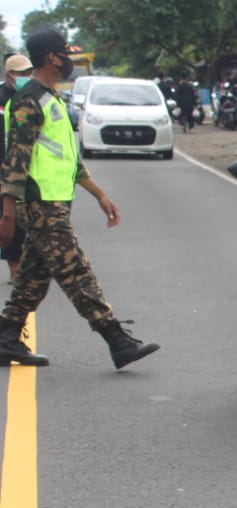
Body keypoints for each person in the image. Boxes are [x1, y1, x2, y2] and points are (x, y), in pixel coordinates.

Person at [0, 28, 160, 369]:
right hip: (40, 203)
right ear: (50, 58)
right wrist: (8, 209)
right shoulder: (29, 100)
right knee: (75, 271)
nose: (68, 60)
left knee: (33, 274)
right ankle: (116, 339)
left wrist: (100, 194)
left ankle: (6, 337)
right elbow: (17, 156)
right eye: (63, 54)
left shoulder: (51, 98)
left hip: (56, 201)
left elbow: (68, 160)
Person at [2, 53, 35, 284]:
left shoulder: (33, 96)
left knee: (30, 219)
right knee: (8, 217)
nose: (26, 77)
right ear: (9, 75)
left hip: (31, 167)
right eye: (21, 73)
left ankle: (29, 266)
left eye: (28, 72)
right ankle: (14, 266)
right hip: (5, 166)